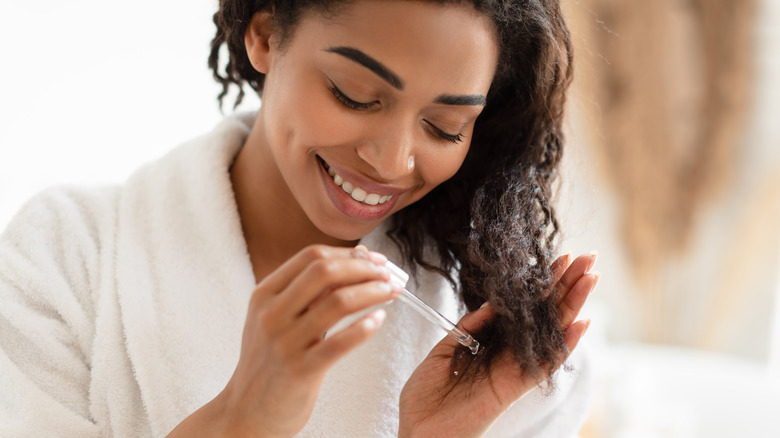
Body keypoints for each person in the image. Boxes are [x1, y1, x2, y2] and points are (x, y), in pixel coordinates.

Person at [0, 0, 600, 436]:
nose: (392, 162)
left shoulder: (502, 329)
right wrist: (240, 418)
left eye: (446, 128)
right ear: (264, 34)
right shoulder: (66, 256)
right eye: (354, 94)